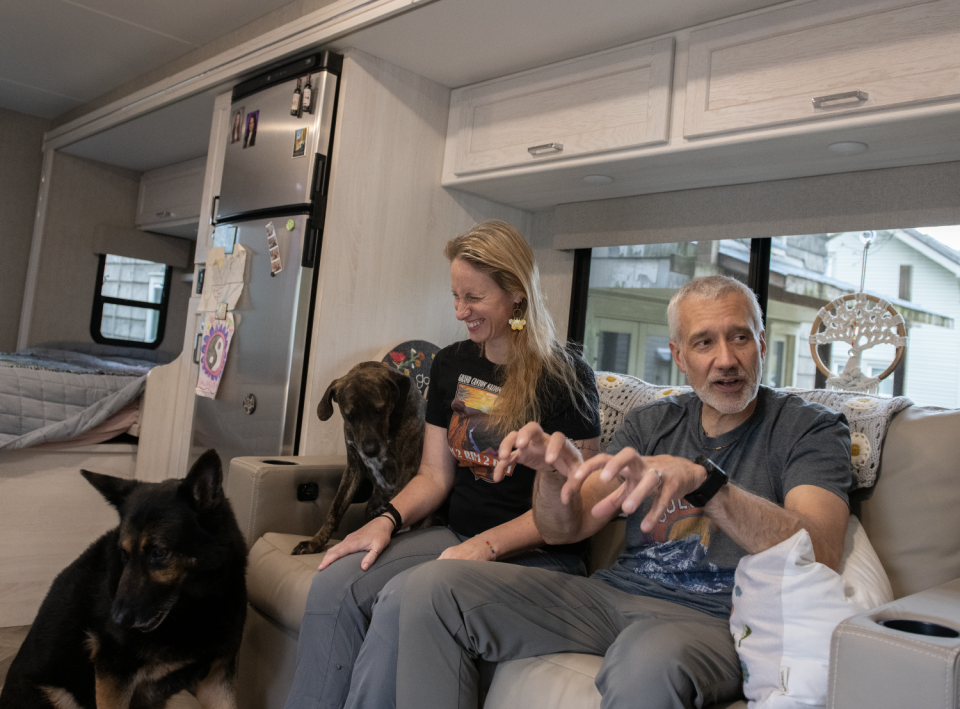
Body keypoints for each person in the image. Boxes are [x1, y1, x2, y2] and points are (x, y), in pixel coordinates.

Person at [395, 275, 853, 709]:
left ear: (761, 343)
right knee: (432, 586)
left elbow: (822, 552)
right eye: (703, 342)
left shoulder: (808, 427)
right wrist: (553, 476)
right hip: (609, 596)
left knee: (646, 656)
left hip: (714, 616)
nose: (726, 359)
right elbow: (564, 527)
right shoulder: (651, 423)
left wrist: (707, 484)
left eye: (740, 337)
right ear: (678, 355)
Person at [283, 220, 601, 709]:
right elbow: (434, 475)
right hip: (457, 535)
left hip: (540, 554)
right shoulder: (452, 364)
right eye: (455, 296)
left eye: (473, 298)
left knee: (400, 599)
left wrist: (487, 545)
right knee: (334, 581)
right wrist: (385, 522)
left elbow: (579, 504)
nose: (459, 311)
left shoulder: (565, 375)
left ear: (516, 293)